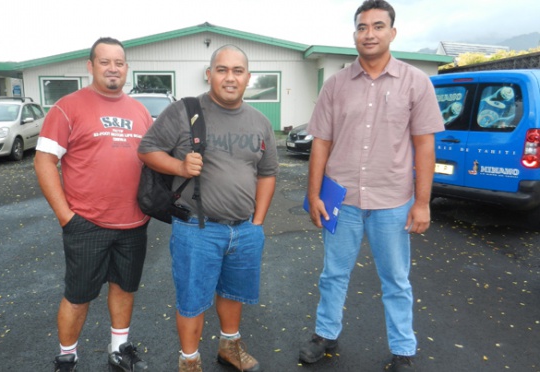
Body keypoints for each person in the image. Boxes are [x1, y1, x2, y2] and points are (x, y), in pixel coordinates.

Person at [298, 1, 444, 371]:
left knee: (395, 280)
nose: (370, 34)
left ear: (392, 33)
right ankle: (325, 335)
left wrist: (422, 202)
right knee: (333, 274)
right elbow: (321, 143)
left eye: (378, 26)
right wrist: (314, 195)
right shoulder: (336, 85)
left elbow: (425, 144)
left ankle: (403, 350)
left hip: (393, 201)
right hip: (341, 199)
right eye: (363, 27)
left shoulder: (416, 82)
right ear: (354, 34)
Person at [138, 44, 278, 372]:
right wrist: (180, 167)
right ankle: (190, 361)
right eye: (222, 70)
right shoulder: (186, 111)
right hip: (197, 230)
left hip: (244, 229)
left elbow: (268, 173)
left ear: (248, 77)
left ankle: (230, 348)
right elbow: (146, 150)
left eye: (237, 71)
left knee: (233, 293)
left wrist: (257, 222)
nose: (230, 78)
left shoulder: (260, 122)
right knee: (192, 299)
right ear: (209, 73)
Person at [34, 37, 153, 372]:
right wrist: (66, 216)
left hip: (133, 223)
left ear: (126, 68)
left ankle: (120, 349)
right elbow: (44, 161)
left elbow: (153, 159)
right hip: (86, 223)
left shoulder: (140, 111)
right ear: (90, 66)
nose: (113, 68)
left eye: (119, 62)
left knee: (125, 288)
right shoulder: (67, 107)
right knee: (79, 295)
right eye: (105, 62)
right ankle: (67, 356)